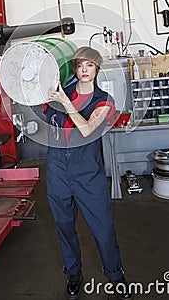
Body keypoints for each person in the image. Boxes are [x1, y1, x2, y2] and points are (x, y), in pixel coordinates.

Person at [44, 46, 132, 300]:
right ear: (75, 68)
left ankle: (115, 275)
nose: (84, 70)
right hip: (58, 168)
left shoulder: (104, 101)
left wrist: (65, 103)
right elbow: (42, 116)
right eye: (80, 65)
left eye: (90, 65)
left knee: (103, 228)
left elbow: (86, 130)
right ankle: (73, 272)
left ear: (96, 69)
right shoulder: (58, 94)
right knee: (64, 225)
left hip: (88, 171)